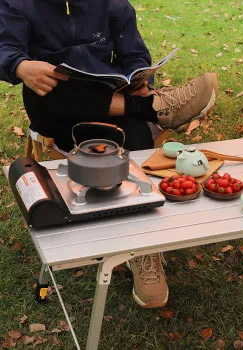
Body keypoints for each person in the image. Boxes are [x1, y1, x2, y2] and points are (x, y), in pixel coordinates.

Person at [0, 0, 218, 309]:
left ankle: (144, 248)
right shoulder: (18, 3)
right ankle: (159, 109)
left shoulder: (113, 4)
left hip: (111, 103)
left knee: (137, 135)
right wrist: (21, 66)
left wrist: (140, 80)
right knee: (52, 88)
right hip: (59, 111)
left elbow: (135, 56)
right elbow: (3, 47)